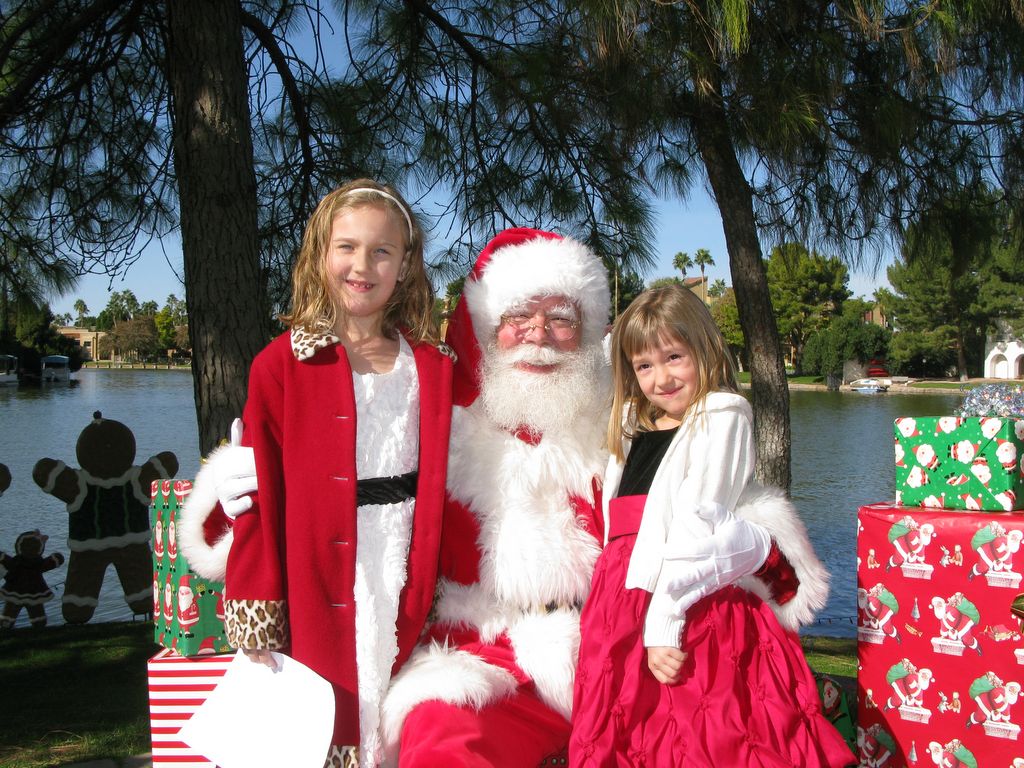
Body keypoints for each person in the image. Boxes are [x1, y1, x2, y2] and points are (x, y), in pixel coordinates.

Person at [182, 179, 453, 768]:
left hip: (405, 566)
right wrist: (257, 611)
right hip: (319, 571)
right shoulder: (281, 364)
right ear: (319, 256)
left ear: (405, 267)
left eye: (383, 251)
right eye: (347, 247)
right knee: (329, 723)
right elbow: (258, 502)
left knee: (405, 721)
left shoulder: (432, 366)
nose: (363, 265)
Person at [568, 284, 854, 767]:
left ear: (704, 349)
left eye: (674, 357)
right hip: (621, 593)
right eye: (644, 365)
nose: (661, 378)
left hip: (691, 599)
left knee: (701, 727)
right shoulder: (633, 423)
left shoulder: (719, 416)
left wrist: (664, 622)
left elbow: (702, 523)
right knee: (628, 725)